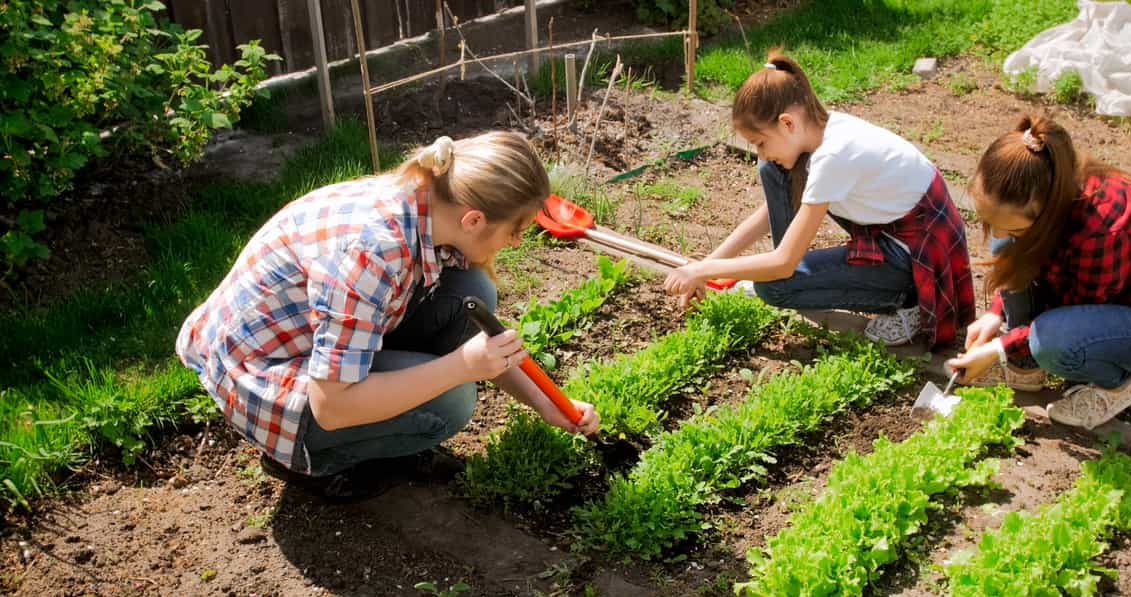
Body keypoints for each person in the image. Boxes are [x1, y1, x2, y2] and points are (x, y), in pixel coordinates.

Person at [176, 132, 600, 502]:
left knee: (474, 292)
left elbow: (484, 339)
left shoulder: (429, 203)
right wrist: (460, 367)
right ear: (474, 220)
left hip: (309, 347)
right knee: (450, 401)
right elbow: (331, 407)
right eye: (517, 230)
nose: (517, 241)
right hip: (266, 380)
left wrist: (547, 403)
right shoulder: (373, 252)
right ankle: (312, 462)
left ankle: (388, 400)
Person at [662, 50, 974, 348]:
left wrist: (702, 272)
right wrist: (705, 267)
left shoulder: (834, 156)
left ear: (787, 123)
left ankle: (911, 302)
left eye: (760, 142)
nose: (760, 152)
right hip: (889, 233)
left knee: (775, 286)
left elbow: (783, 264)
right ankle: (781, 271)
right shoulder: (817, 131)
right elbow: (767, 213)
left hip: (920, 259)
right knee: (773, 169)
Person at [947, 114, 1131, 429]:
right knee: (1005, 247)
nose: (997, 231)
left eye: (1014, 226)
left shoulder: (1103, 229)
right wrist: (995, 315)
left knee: (1053, 341)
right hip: (1091, 299)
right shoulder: (1050, 186)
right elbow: (1027, 263)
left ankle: (1116, 385)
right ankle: (1026, 366)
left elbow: (1072, 314)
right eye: (990, 220)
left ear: (1046, 212)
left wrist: (1000, 347)